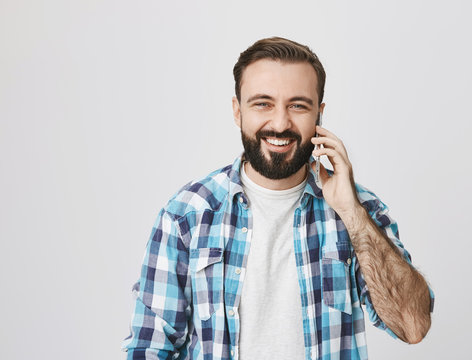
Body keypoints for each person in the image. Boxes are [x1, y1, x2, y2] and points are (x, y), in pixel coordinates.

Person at [122, 37, 434, 360]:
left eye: (298, 105)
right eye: (263, 103)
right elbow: (149, 349)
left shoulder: (359, 211)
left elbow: (413, 325)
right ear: (237, 110)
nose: (281, 123)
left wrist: (352, 214)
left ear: (319, 115)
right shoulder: (186, 216)